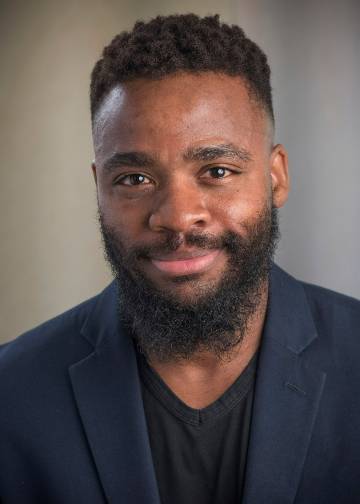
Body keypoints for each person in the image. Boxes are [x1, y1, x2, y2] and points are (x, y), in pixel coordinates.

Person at [0, 13, 359, 504]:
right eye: (134, 179)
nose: (177, 216)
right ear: (99, 188)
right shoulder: (12, 394)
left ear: (275, 178)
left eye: (216, 169)